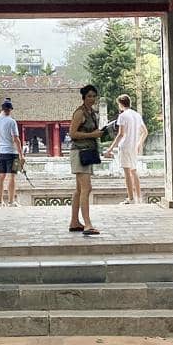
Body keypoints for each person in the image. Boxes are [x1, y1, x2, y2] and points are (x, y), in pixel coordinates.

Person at [68, 84, 107, 235]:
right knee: (86, 188)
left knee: (79, 190)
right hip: (79, 152)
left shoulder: (92, 113)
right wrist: (92, 135)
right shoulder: (80, 113)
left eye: (93, 96)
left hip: (89, 151)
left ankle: (74, 222)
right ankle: (88, 224)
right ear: (84, 97)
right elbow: (72, 134)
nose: (91, 98)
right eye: (89, 96)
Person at [104, 94, 148, 204]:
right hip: (133, 146)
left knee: (127, 173)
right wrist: (139, 144)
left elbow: (120, 134)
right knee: (134, 171)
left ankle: (131, 198)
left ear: (121, 104)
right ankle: (138, 198)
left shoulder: (123, 116)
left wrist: (110, 149)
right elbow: (145, 132)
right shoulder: (137, 115)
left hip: (125, 146)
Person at [0, 99, 21, 207]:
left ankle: (0, 202)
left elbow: (1, 115)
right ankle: (11, 201)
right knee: (12, 176)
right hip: (12, 152)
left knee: (1, 176)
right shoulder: (11, 121)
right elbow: (16, 139)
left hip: (0, 152)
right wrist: (21, 154)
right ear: (10, 110)